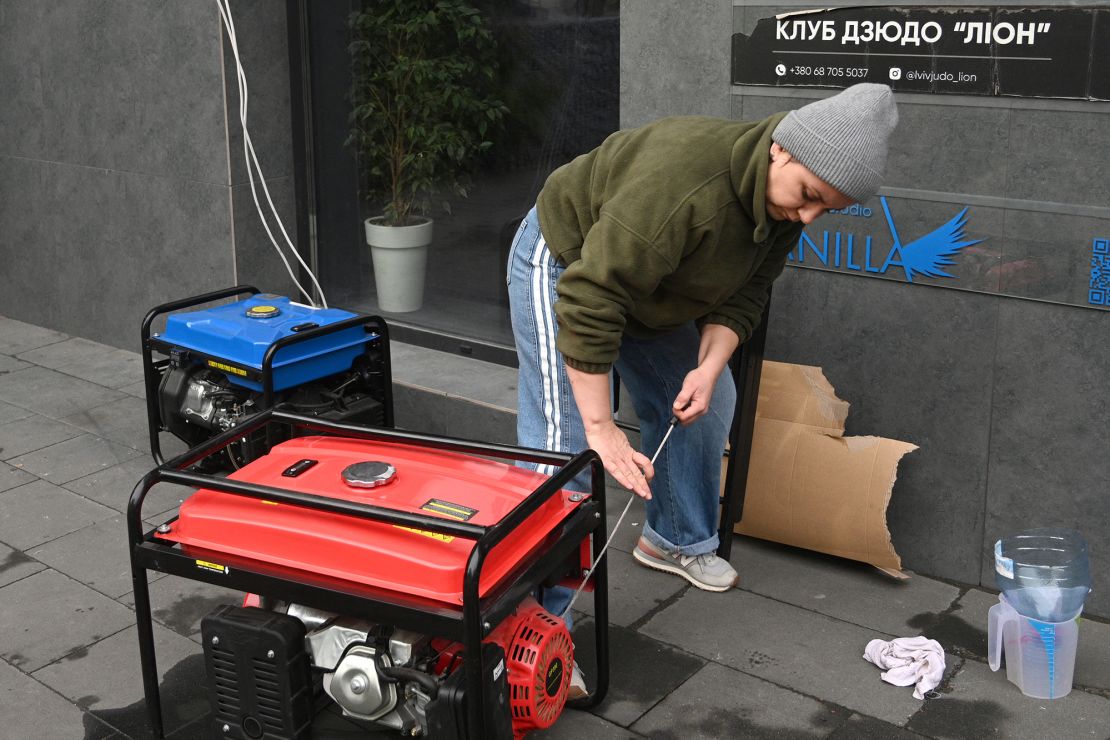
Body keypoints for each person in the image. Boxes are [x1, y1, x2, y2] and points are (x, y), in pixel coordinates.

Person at [506, 83, 898, 692]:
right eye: (811, 197)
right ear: (781, 152)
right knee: (564, 450)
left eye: (830, 209)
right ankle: (534, 634)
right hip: (569, 263)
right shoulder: (685, 182)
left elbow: (745, 295)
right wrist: (603, 429)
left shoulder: (782, 207)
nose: (811, 216)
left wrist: (707, 368)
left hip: (650, 288)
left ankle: (673, 539)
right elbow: (593, 298)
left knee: (709, 406)